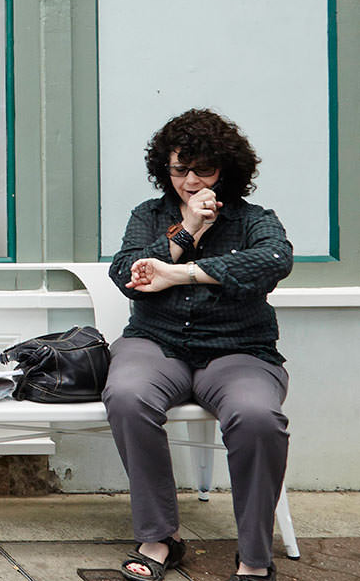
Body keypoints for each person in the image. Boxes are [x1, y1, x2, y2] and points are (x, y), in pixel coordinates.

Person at [103, 108, 292, 581]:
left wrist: (180, 273)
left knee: (258, 418)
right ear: (164, 170)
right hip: (156, 344)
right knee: (127, 396)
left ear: (225, 169)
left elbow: (272, 262)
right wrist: (186, 231)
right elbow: (129, 273)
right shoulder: (149, 216)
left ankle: (253, 557)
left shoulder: (254, 220)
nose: (189, 180)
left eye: (202, 169)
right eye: (178, 169)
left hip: (239, 350)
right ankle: (160, 537)